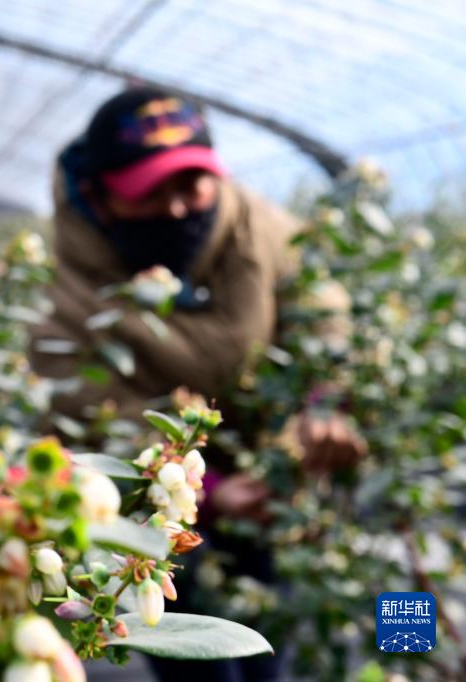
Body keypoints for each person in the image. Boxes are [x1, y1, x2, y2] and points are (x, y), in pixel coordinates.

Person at [29, 87, 364, 681]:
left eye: (191, 184)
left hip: (271, 480)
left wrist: (320, 405)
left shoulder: (262, 231)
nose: (178, 208)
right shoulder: (71, 290)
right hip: (166, 501)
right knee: (192, 654)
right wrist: (202, 491)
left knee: (265, 638)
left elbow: (321, 313)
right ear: (102, 196)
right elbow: (85, 406)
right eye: (150, 191)